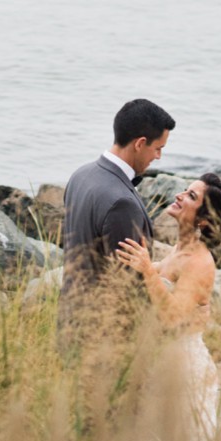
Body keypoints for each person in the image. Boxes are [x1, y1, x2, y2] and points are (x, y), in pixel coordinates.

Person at [115, 172, 221, 436]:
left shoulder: (200, 262)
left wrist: (148, 270)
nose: (179, 195)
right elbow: (159, 277)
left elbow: (174, 316)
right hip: (163, 360)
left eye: (191, 196)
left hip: (185, 369)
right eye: (185, 189)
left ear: (204, 220)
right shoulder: (178, 249)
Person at [58, 98, 176, 348]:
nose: (159, 156)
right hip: (104, 339)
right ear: (140, 143)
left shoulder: (81, 175)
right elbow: (126, 286)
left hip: (69, 321)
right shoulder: (122, 203)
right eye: (158, 148)